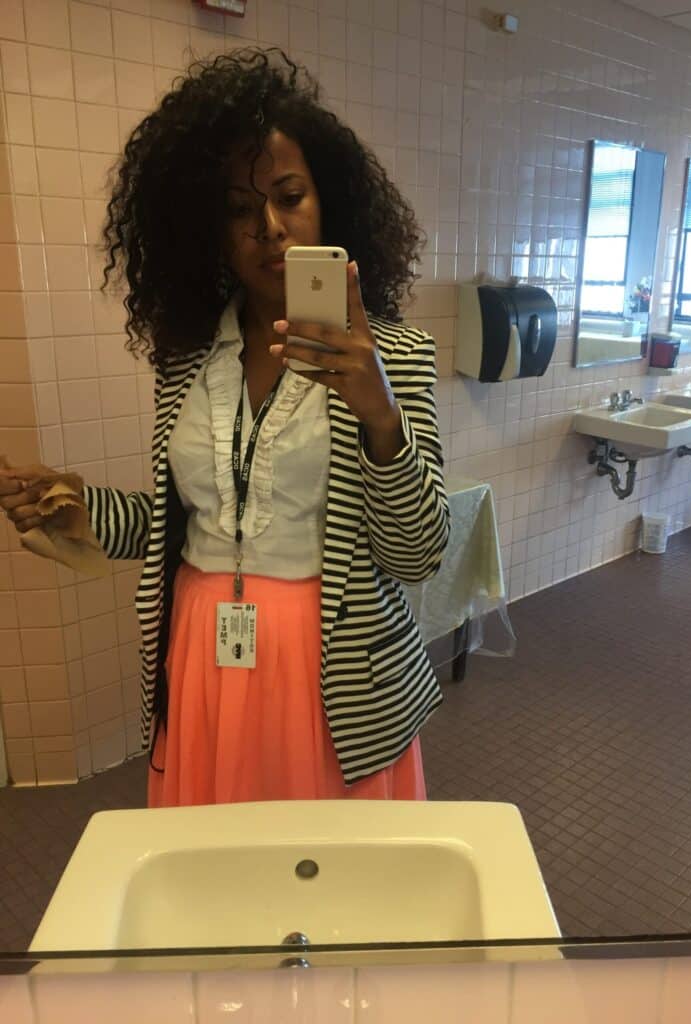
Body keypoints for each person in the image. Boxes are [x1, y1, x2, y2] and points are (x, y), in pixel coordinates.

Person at [0, 49, 449, 807]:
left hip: (335, 672)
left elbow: (417, 554)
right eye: (240, 210)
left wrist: (380, 414)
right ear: (208, 230)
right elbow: (189, 519)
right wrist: (83, 510)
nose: (270, 228)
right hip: (205, 650)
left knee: (336, 885)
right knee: (217, 881)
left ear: (327, 203)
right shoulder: (189, 358)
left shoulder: (392, 355)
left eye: (289, 196)